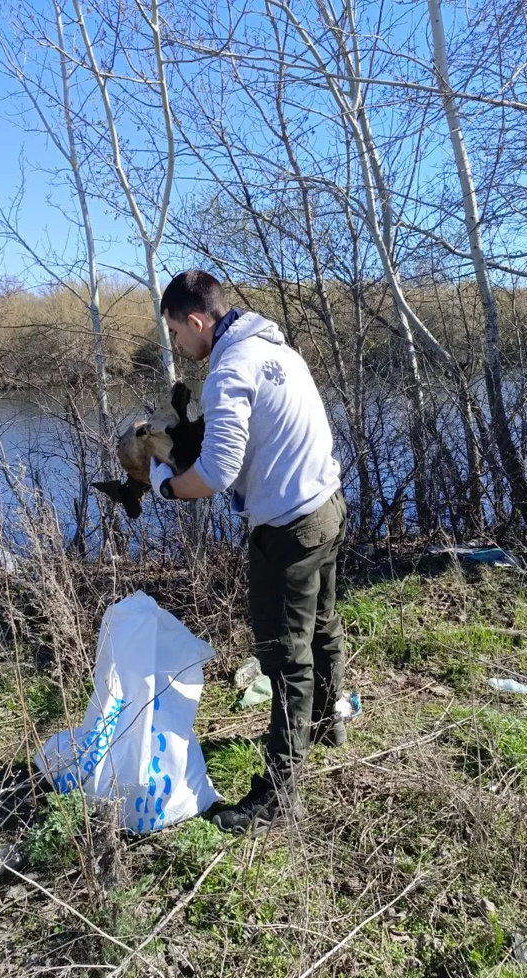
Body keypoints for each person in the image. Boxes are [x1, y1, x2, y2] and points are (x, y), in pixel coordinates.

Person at [151, 270, 347, 834]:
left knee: (284, 658)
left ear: (195, 320)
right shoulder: (272, 347)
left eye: (174, 332)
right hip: (327, 503)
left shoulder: (229, 368)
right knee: (323, 623)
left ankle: (280, 797)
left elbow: (214, 474)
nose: (177, 345)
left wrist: (166, 483)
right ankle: (330, 719)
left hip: (289, 527)